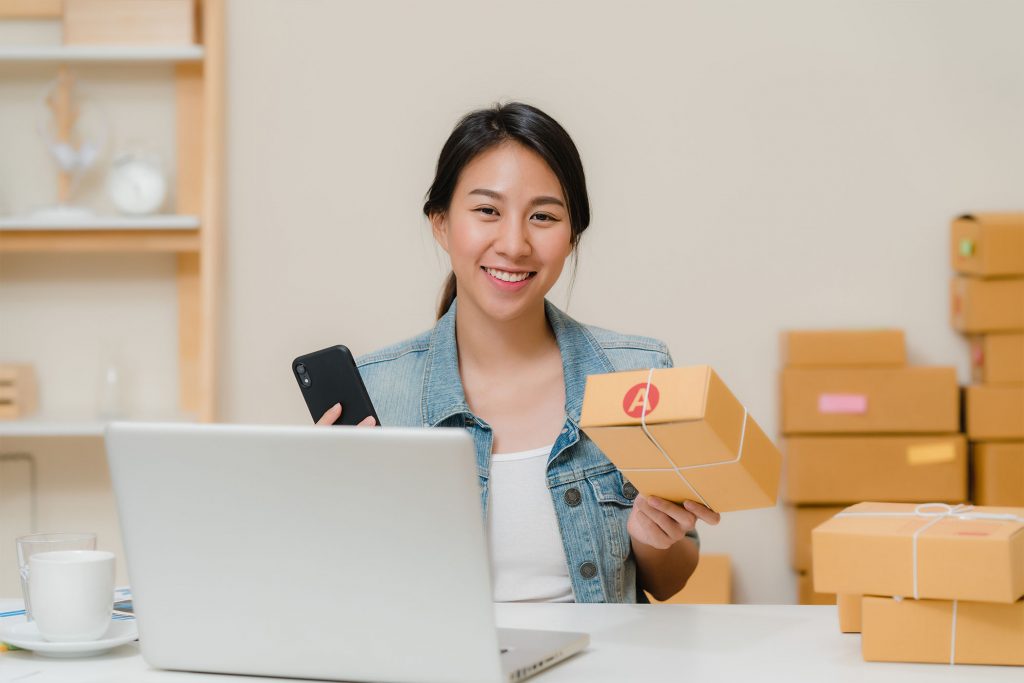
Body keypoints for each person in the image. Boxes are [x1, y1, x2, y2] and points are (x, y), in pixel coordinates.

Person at [317, 102, 719, 603]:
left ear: (572, 236)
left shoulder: (637, 376)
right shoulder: (375, 394)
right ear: (440, 224)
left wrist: (651, 537)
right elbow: (353, 593)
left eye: (543, 216)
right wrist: (330, 509)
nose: (514, 243)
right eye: (487, 210)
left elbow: (670, 580)